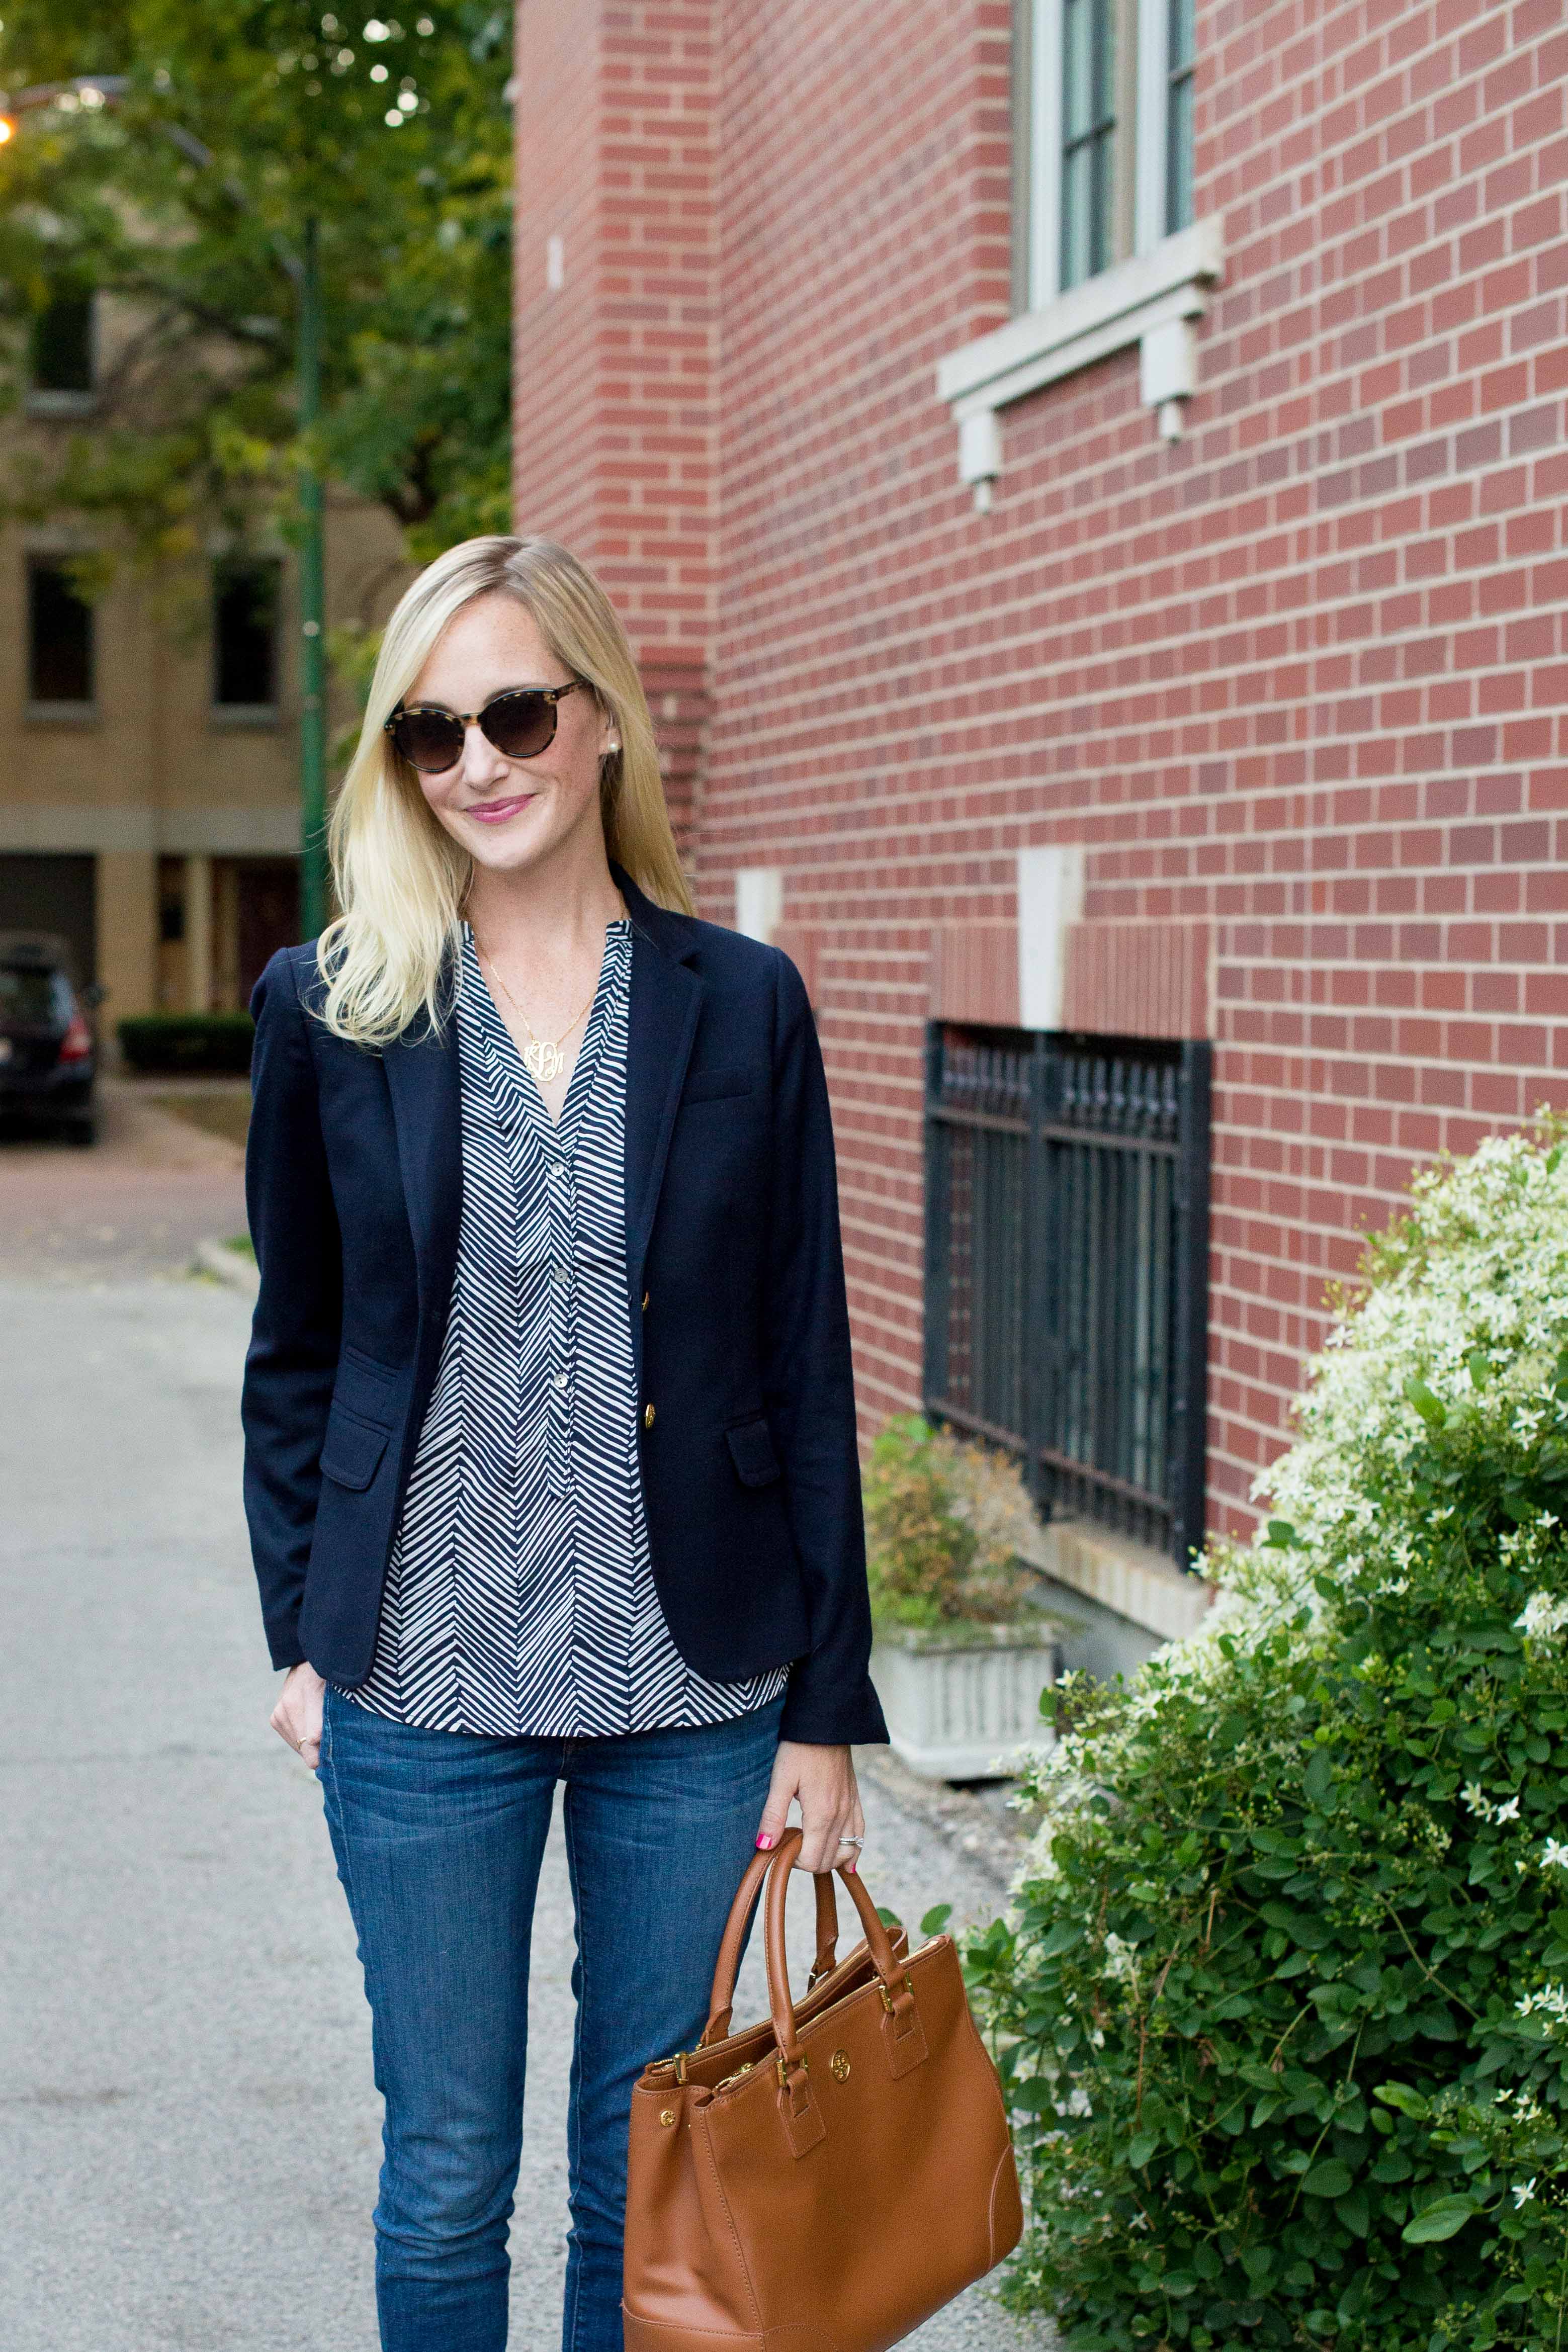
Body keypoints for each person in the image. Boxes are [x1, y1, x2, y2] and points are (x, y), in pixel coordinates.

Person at [239, 533, 888, 2352]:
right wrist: (300, 1634)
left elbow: (801, 1354)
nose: (480, 765)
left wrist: (825, 1712)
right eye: (430, 735)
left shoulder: (739, 1002)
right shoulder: (334, 1003)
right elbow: (296, 1353)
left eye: (515, 711)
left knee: (646, 2167)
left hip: (691, 1691)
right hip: (417, 1684)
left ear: (599, 720)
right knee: (446, 2166)